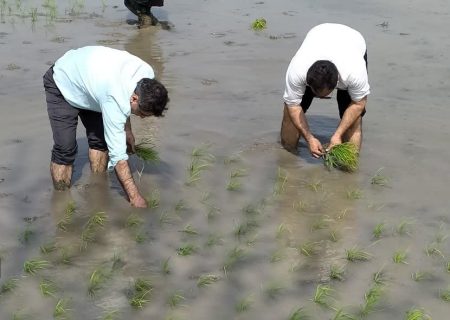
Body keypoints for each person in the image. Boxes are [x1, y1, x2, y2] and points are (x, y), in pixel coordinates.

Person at [43, 46, 169, 208]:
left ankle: (97, 189)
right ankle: (61, 201)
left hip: (94, 86)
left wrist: (127, 130)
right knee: (65, 148)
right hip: (63, 82)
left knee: (100, 143)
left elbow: (124, 102)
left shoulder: (147, 76)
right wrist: (135, 197)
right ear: (135, 99)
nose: (143, 118)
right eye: (143, 113)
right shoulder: (114, 97)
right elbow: (119, 159)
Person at [280, 23, 370, 158]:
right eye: (317, 94)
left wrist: (337, 135)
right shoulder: (297, 70)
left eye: (325, 95)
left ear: (337, 85)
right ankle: (289, 158)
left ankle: (348, 168)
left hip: (353, 40)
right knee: (288, 114)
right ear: (308, 82)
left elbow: (359, 104)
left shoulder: (354, 72)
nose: (321, 99)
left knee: (354, 121)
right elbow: (293, 106)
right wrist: (310, 138)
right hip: (318, 33)